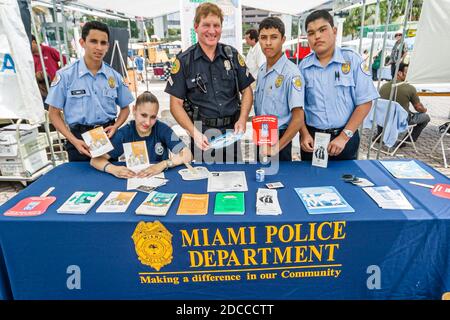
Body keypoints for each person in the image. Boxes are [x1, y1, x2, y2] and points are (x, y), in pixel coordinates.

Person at [165, 2, 254, 163]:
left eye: (216, 25)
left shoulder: (232, 55)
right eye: (206, 25)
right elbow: (175, 105)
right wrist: (193, 133)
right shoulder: (184, 61)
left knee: (234, 181)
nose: (212, 31)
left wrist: (242, 119)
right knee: (201, 184)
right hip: (202, 136)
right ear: (196, 26)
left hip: (231, 133)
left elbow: (247, 90)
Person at [46, 21, 134, 162]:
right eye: (93, 41)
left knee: (110, 181)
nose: (99, 47)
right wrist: (73, 140)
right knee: (80, 182)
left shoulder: (114, 76)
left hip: (108, 137)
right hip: (79, 141)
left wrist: (116, 126)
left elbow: (126, 108)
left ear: (108, 46)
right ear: (82, 42)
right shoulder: (65, 76)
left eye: (103, 43)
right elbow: (53, 113)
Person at [298, 10, 379, 160]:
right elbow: (297, 107)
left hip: (346, 137)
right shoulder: (303, 67)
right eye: (311, 33)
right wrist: (304, 133)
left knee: (346, 180)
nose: (317, 36)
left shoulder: (352, 60)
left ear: (334, 31)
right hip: (313, 139)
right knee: (311, 181)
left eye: (322, 30)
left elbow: (365, 102)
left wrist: (343, 137)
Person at [91, 91, 192, 178]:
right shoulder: (124, 132)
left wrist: (163, 164)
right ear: (134, 110)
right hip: (134, 179)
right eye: (143, 115)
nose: (147, 122)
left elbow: (187, 154)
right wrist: (113, 169)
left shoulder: (162, 129)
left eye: (153, 117)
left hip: (161, 179)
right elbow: (95, 160)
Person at [254, 17, 304, 161]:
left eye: (274, 37)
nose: (268, 43)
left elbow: (298, 118)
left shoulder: (292, 73)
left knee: (279, 181)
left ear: (283, 40)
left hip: (279, 138)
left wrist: (278, 147)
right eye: (263, 38)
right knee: (259, 177)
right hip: (261, 134)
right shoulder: (263, 69)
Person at [379, 63, 430, 144]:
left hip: (383, 118)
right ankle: (407, 141)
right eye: (407, 73)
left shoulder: (383, 86)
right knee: (426, 117)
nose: (408, 75)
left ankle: (380, 136)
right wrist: (424, 110)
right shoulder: (409, 88)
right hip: (400, 120)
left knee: (385, 111)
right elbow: (418, 107)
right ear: (399, 73)